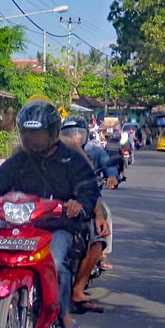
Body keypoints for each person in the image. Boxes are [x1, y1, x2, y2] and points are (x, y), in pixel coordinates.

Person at [0, 99, 99, 328]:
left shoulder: (71, 158)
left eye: (37, 133)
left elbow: (89, 190)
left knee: (57, 263)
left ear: (52, 133)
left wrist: (78, 205)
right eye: (27, 132)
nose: (31, 138)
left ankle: (63, 315)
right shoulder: (20, 159)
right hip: (19, 224)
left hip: (57, 227)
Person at [60, 116, 115, 314]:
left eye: (77, 133)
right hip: (57, 202)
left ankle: (78, 289)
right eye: (68, 133)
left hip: (88, 198)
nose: (73, 137)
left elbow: (107, 163)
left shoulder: (93, 151)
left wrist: (111, 175)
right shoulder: (54, 151)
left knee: (101, 226)